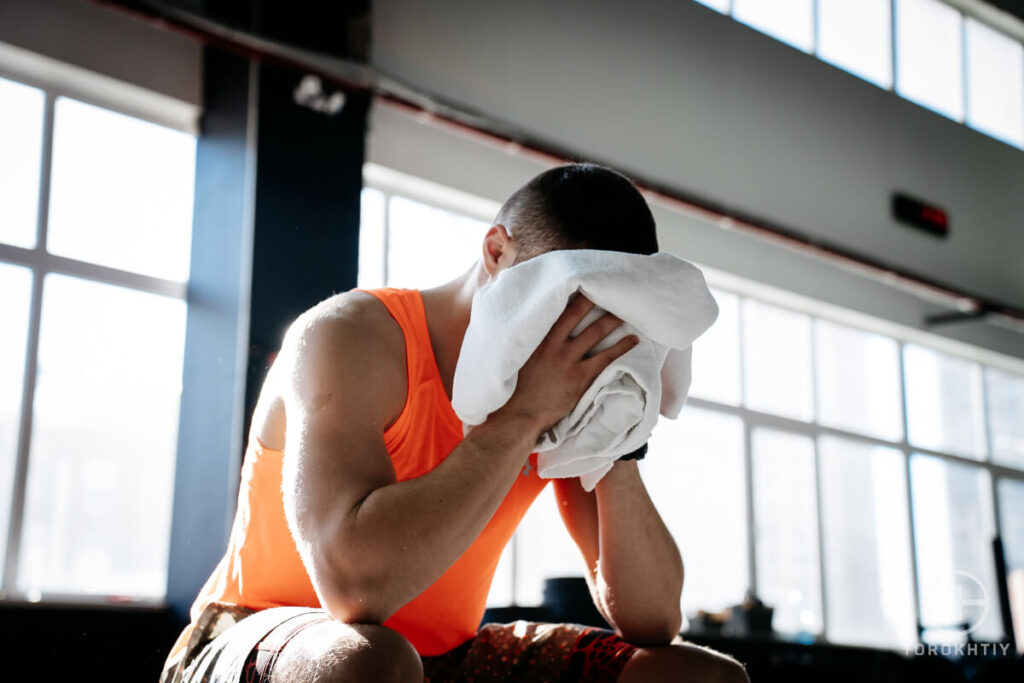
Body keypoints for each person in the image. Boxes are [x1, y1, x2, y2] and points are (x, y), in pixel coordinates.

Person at [161, 163, 750, 682]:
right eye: (565, 298)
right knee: (371, 660)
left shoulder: (562, 380)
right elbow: (354, 589)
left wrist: (621, 434)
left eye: (605, 313)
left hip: (441, 657)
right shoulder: (351, 335)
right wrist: (521, 417)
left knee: (698, 674)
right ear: (497, 253)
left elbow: (653, 619)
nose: (575, 331)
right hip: (257, 639)